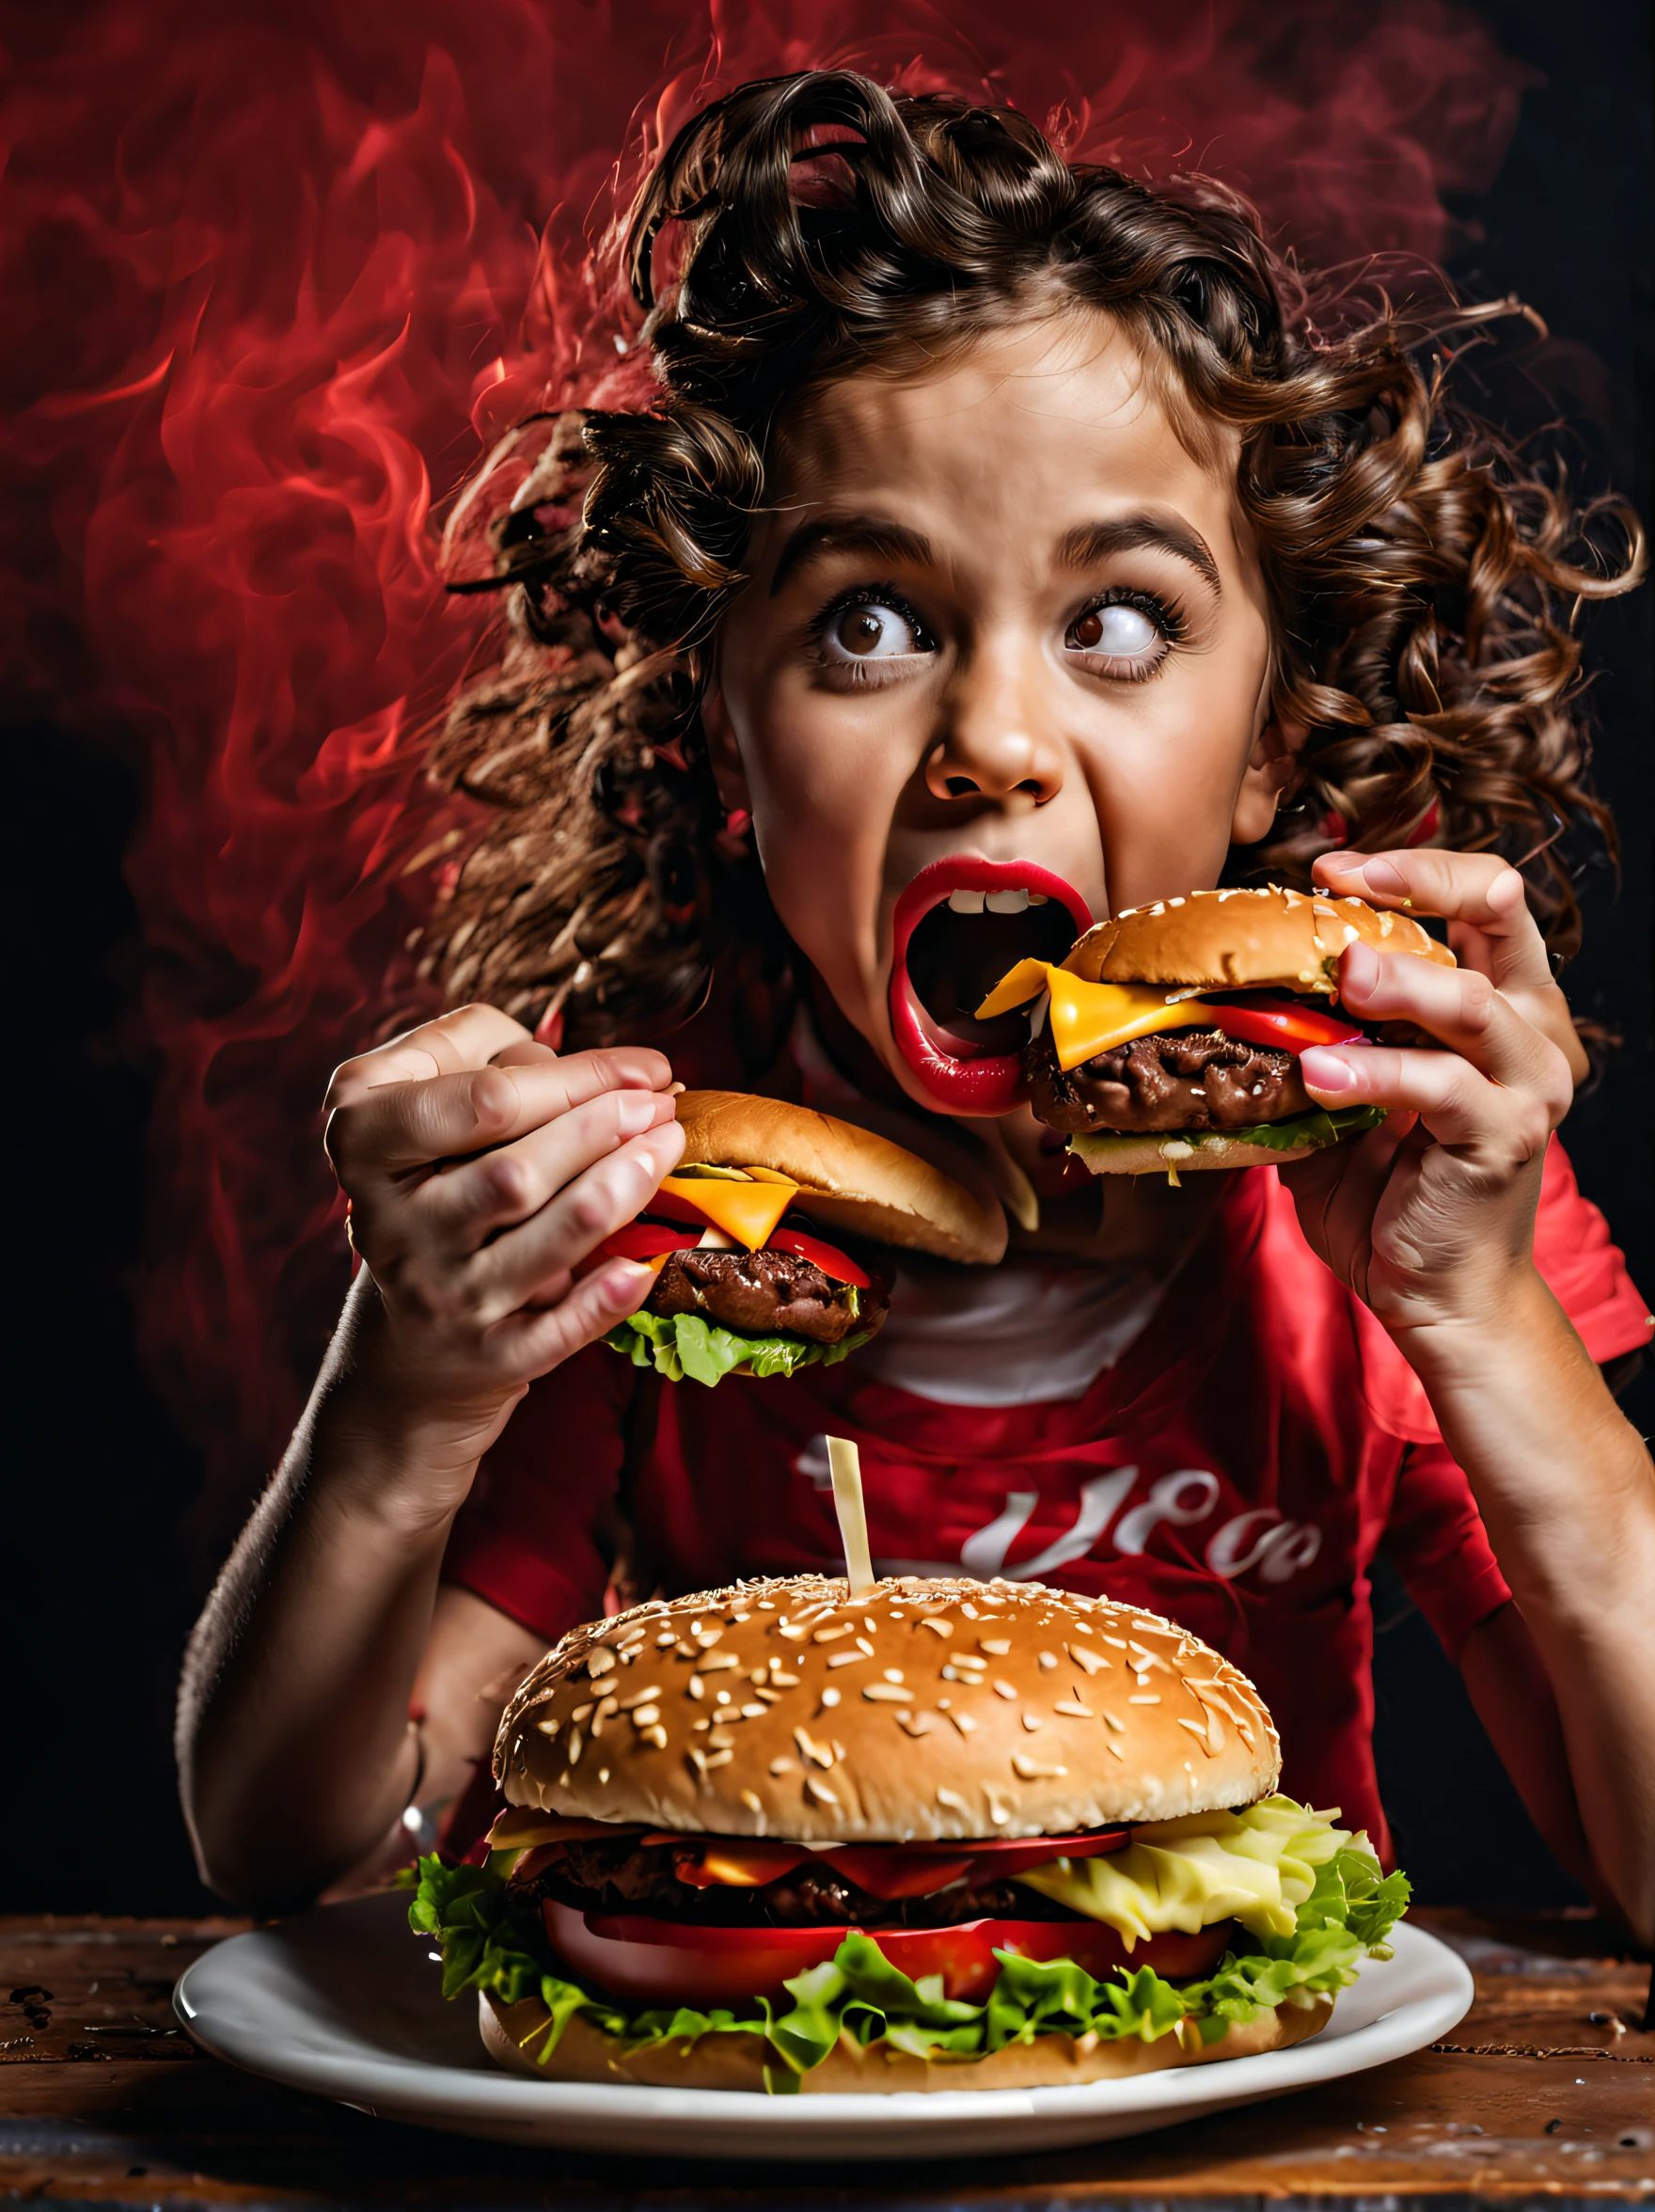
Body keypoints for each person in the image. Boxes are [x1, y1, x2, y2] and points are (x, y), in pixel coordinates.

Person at [176, 72, 1655, 1939]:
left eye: (1114, 620)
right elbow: (292, 1846)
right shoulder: (643, 1188)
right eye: (868, 623)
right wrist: (410, 1382)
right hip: (758, 2067)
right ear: (723, 722)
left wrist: (1472, 1308)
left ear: (1276, 741)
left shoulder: (1383, 1176)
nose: (991, 744)